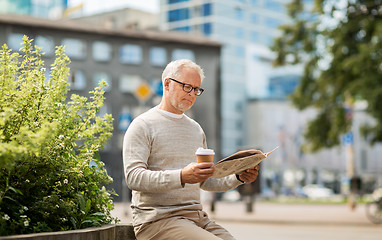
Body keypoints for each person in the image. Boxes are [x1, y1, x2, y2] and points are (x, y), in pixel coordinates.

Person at [123, 59, 261, 240]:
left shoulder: (196, 129)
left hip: (196, 218)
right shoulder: (142, 125)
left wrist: (237, 177)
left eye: (197, 89)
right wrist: (181, 176)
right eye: (187, 87)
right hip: (158, 221)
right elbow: (134, 177)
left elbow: (204, 182)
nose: (192, 94)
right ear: (167, 84)